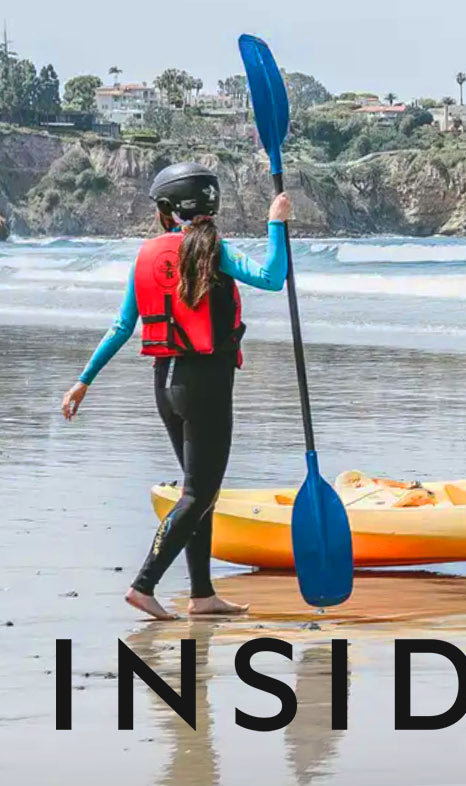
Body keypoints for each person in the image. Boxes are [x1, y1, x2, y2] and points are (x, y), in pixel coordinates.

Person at [60, 162, 292, 619]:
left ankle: (202, 595)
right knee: (199, 495)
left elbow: (122, 325)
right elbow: (272, 276)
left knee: (198, 490)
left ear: (168, 209)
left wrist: (83, 380)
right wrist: (276, 223)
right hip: (204, 383)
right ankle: (144, 585)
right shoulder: (213, 251)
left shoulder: (147, 255)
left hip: (165, 383)